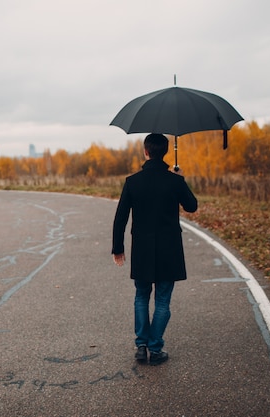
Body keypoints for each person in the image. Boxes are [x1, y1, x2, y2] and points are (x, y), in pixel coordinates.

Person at [112, 133, 198, 365]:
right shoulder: (175, 182)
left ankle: (141, 345)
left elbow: (120, 217)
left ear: (146, 151)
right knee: (162, 301)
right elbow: (192, 206)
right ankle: (155, 348)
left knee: (141, 296)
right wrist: (181, 179)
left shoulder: (133, 181)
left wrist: (117, 247)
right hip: (168, 250)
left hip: (142, 249)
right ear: (166, 152)